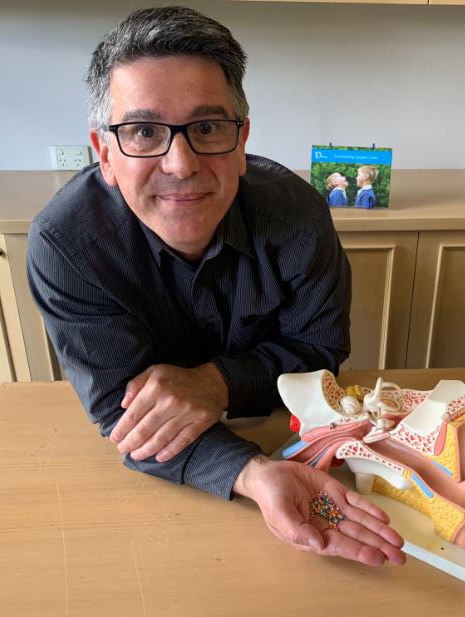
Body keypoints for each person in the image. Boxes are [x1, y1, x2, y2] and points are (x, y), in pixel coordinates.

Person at [27, 6, 405, 567]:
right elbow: (122, 415)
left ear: (242, 138)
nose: (180, 164)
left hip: (292, 440)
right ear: (105, 153)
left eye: (206, 128)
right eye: (143, 132)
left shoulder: (299, 214)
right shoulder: (67, 243)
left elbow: (319, 357)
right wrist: (252, 473)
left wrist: (217, 383)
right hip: (147, 515)